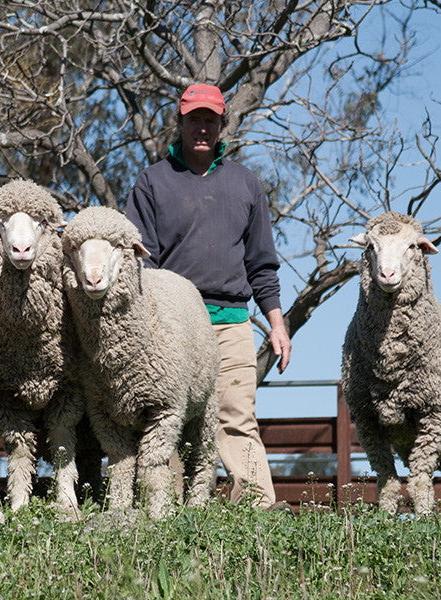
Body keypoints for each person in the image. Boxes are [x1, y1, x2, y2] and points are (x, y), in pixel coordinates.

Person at [124, 83, 291, 508]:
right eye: (194, 119)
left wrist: (276, 323)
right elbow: (139, 262)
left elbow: (262, 263)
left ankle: (257, 508)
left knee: (237, 416)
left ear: (222, 125)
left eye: (210, 120)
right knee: (170, 419)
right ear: (179, 123)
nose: (202, 127)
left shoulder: (245, 184)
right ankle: (170, 509)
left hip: (232, 321)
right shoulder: (152, 182)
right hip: (173, 325)